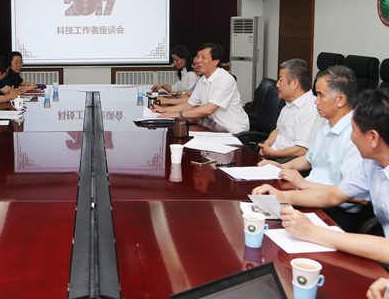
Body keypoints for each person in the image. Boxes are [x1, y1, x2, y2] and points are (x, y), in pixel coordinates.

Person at [251, 89, 389, 264]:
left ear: (373, 138)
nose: (351, 137)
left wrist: (313, 232)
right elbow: (333, 194)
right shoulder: (371, 164)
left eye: (354, 130)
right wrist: (282, 196)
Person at [152, 43, 249, 135]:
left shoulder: (225, 79)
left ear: (215, 61)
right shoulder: (202, 80)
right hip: (214, 129)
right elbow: (190, 104)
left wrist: (178, 114)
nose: (198, 61)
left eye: (203, 57)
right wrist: (164, 110)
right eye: (198, 56)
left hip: (233, 132)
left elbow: (208, 109)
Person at [257, 59, 322, 160]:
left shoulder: (312, 109)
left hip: (286, 162)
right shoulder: (288, 104)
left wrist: (272, 153)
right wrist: (267, 145)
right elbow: (278, 130)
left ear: (295, 83)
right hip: (273, 157)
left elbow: (302, 150)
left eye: (281, 80)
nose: (277, 84)